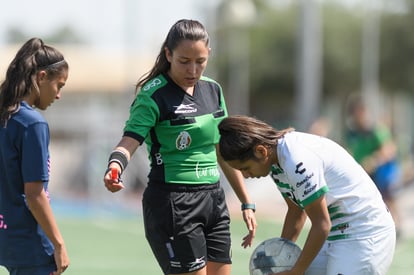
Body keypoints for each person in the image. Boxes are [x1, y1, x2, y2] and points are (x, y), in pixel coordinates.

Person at [103, 19, 256, 275]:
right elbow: (129, 140)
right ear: (168, 54)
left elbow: (222, 151)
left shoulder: (213, 90)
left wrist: (246, 202)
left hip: (214, 200)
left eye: (200, 61)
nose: (193, 69)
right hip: (173, 203)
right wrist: (115, 165)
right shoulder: (152, 95)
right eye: (184, 61)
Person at [218, 115, 396, 275]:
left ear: (261, 151)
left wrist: (294, 272)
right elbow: (296, 212)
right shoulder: (275, 160)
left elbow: (321, 224)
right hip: (338, 232)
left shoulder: (296, 160)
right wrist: (277, 258)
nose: (246, 176)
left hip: (364, 232)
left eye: (246, 169)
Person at [0, 38, 70, 274]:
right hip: (29, 245)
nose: (58, 95)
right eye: (59, 85)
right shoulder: (32, 124)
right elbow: (34, 195)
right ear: (41, 77)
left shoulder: (5, 117)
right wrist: (58, 244)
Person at [344, 96, 401, 237]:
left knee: (388, 197)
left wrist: (374, 160)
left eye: (362, 111)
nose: (361, 115)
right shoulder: (351, 133)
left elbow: (389, 149)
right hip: (362, 172)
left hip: (382, 170)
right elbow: (349, 150)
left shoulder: (375, 130)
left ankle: (397, 228)